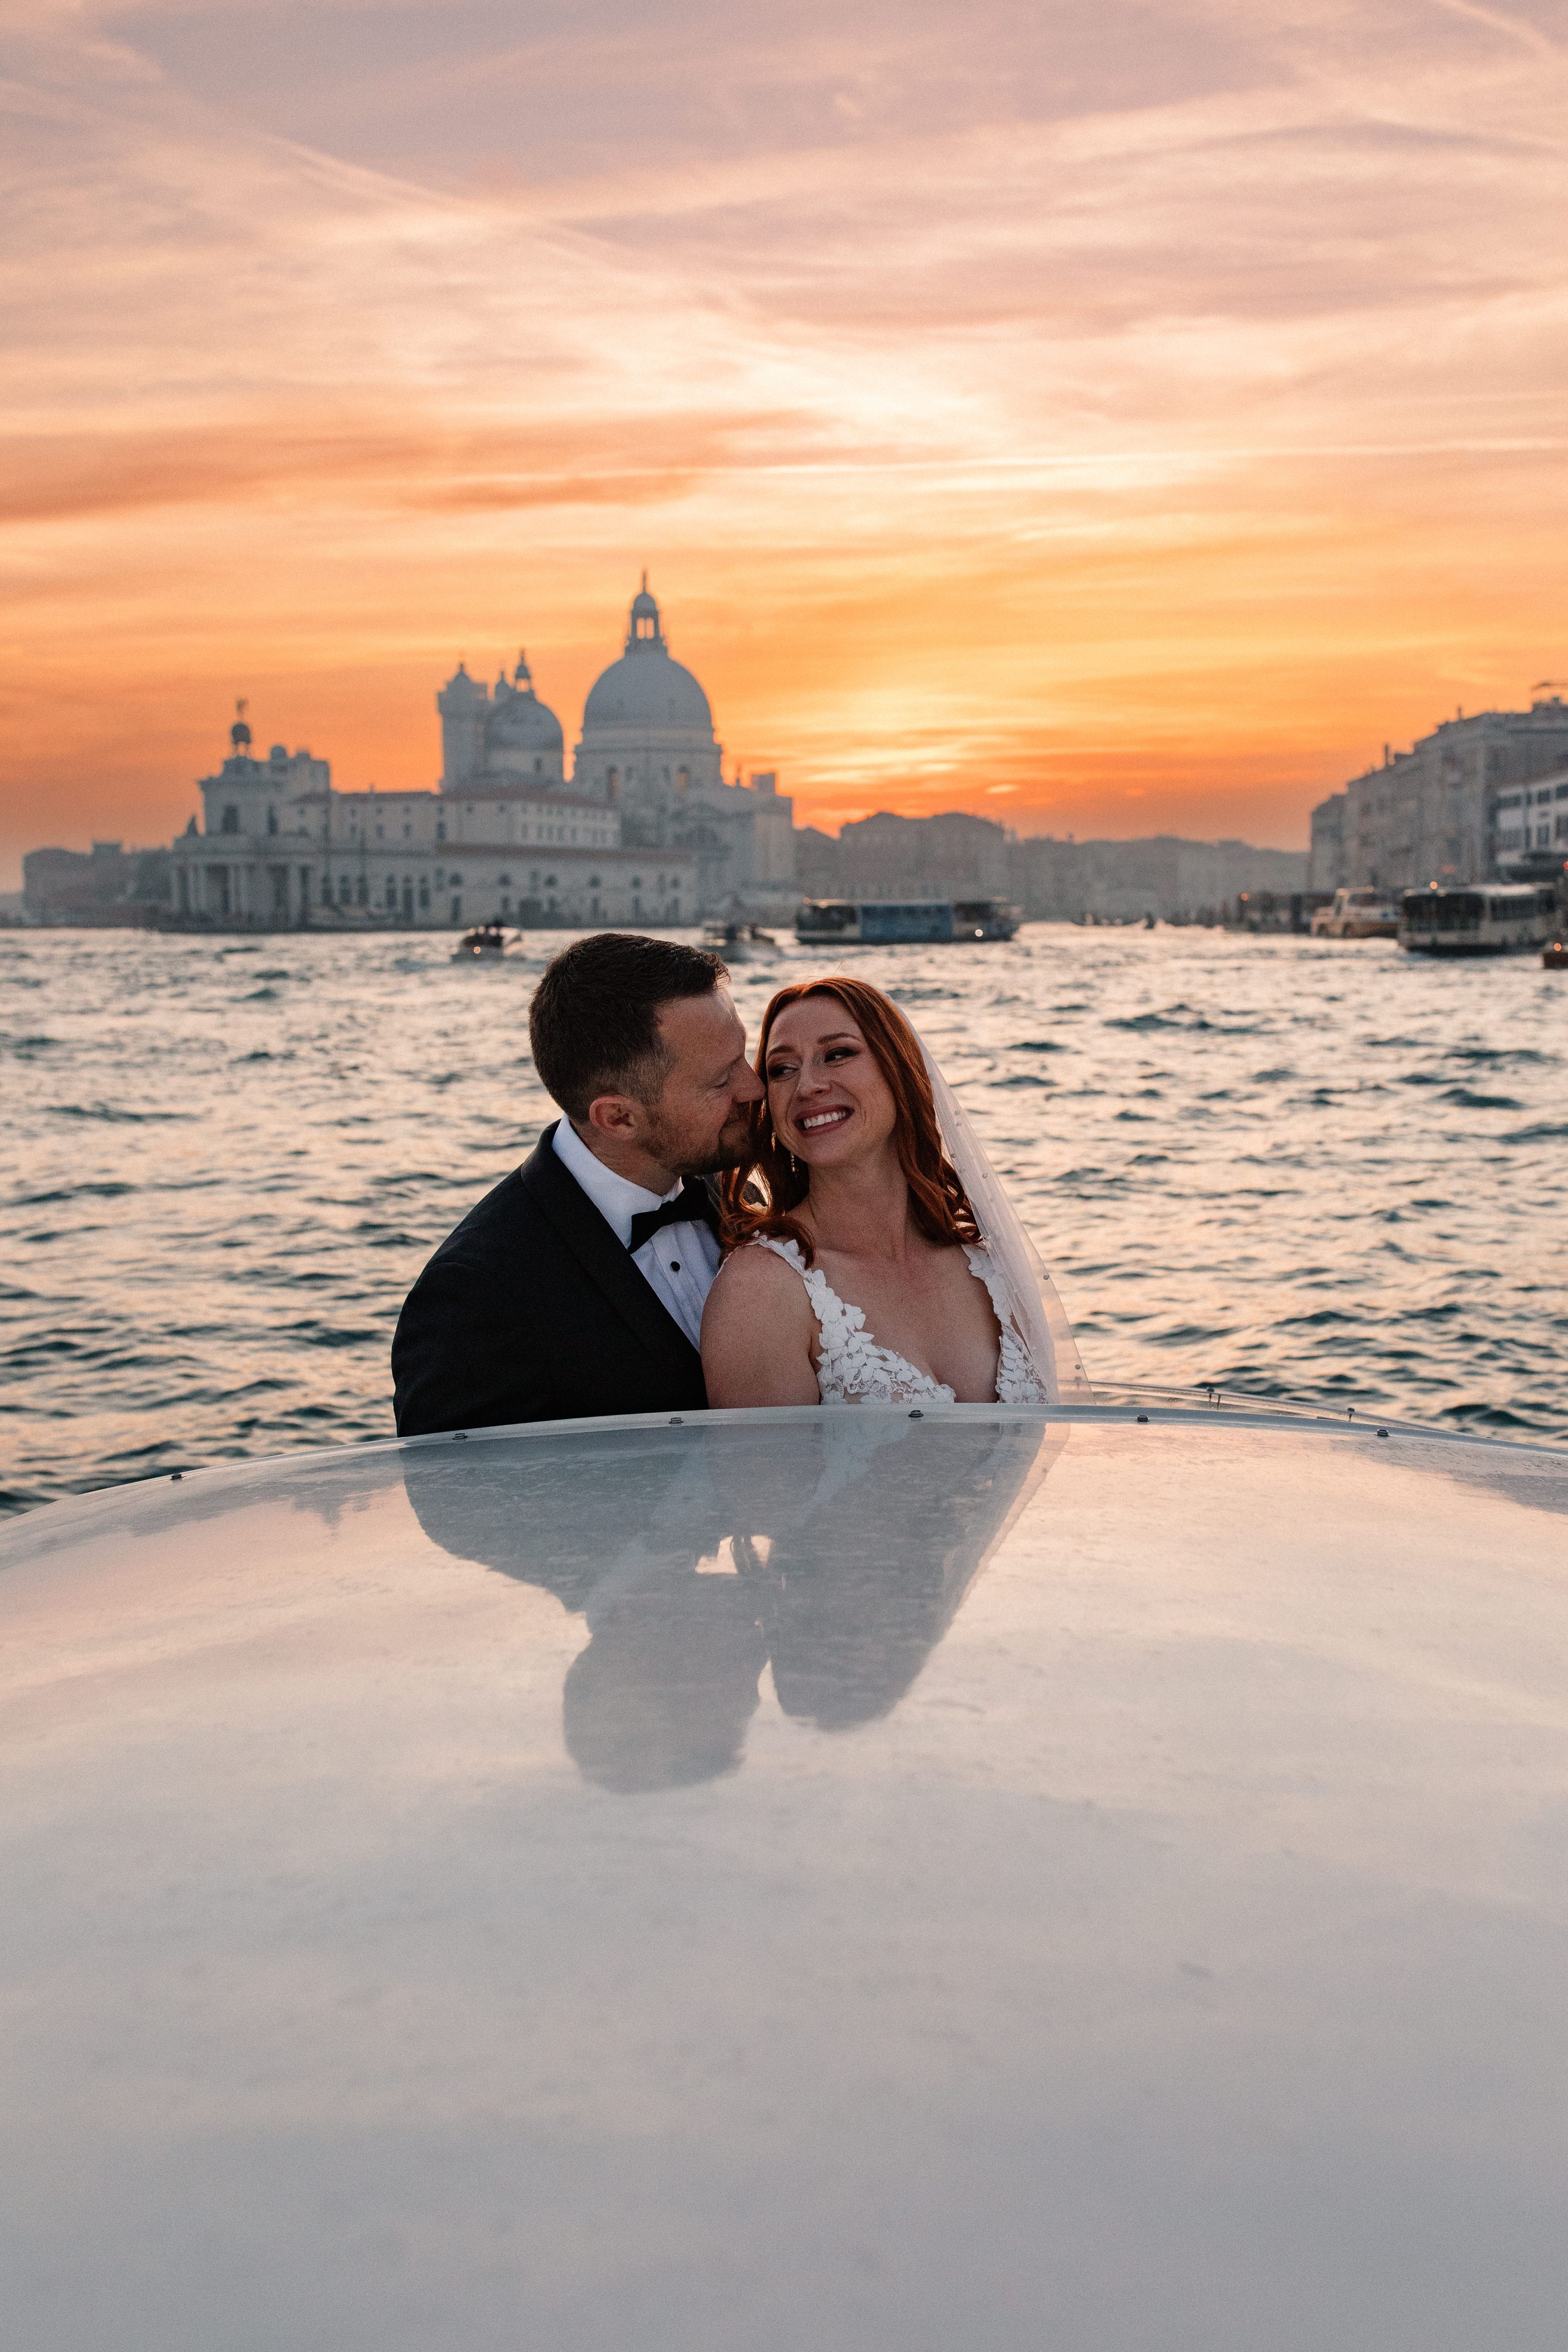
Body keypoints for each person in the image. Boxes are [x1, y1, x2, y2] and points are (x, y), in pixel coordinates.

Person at [391, 932, 764, 1435]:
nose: (754, 1087)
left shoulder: (736, 1192)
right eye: (721, 1081)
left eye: (744, 1054)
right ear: (618, 1118)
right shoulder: (476, 1296)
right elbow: (458, 1503)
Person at [701, 977, 1051, 1408]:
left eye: (838, 1054)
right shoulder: (761, 1288)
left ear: (899, 1068)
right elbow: (766, 1475)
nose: (807, 1085)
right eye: (782, 1070)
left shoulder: (991, 1268)